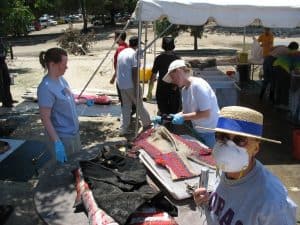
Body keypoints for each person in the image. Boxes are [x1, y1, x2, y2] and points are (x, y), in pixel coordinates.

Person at [193, 106, 297, 225]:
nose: (228, 146)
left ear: (256, 148)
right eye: (222, 136)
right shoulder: (222, 169)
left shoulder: (272, 201)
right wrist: (208, 199)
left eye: (240, 140)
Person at [37, 47, 93, 164]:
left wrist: (84, 101)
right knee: (66, 171)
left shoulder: (61, 80)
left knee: (77, 166)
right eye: (64, 64)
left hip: (73, 133)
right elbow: (45, 118)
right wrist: (57, 142)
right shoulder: (46, 88)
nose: (67, 67)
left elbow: (69, 99)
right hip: (62, 138)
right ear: (53, 65)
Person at [161, 59, 219, 148]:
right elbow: (186, 111)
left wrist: (183, 117)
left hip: (211, 131)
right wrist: (168, 118)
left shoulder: (198, 85)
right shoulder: (184, 90)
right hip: (199, 130)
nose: (173, 81)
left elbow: (206, 113)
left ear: (179, 71)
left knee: (211, 159)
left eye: (173, 77)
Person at [116, 36, 151, 135]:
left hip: (121, 84)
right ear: (137, 45)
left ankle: (123, 129)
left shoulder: (122, 52)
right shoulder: (134, 54)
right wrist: (136, 88)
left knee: (126, 107)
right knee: (139, 105)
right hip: (131, 84)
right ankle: (147, 124)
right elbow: (135, 71)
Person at [151, 36, 181, 115]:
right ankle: (172, 125)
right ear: (173, 46)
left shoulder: (159, 58)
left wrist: (150, 90)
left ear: (163, 46)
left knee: (163, 110)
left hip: (162, 87)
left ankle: (165, 124)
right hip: (174, 87)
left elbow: (153, 75)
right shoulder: (178, 59)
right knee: (173, 111)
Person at [110, 30, 136, 116]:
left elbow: (119, 65)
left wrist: (114, 77)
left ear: (119, 37)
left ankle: (127, 115)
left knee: (123, 99)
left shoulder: (120, 49)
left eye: (115, 37)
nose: (114, 38)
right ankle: (131, 111)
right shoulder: (127, 47)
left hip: (122, 78)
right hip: (127, 77)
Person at [0, 38, 13, 107]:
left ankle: (9, 99)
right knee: (1, 83)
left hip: (2, 61)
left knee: (7, 80)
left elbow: (3, 49)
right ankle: (5, 101)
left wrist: (3, 54)